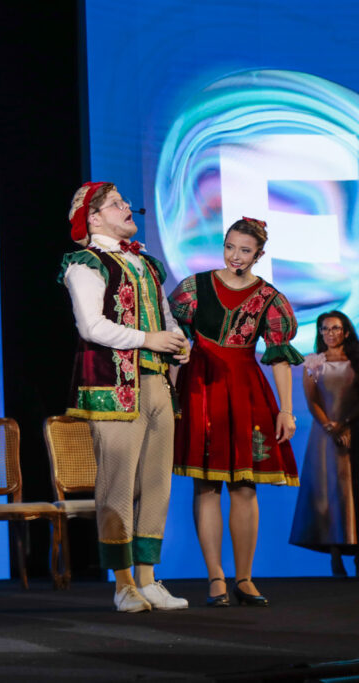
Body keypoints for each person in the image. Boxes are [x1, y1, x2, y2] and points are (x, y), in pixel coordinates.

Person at [61, 181, 190, 613]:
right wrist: (149, 338)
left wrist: (178, 341)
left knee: (156, 484)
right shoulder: (86, 263)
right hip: (113, 390)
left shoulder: (147, 264)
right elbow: (92, 327)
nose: (126, 208)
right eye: (115, 204)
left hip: (156, 385)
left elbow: (167, 320)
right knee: (117, 486)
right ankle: (122, 583)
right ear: (94, 218)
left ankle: (150, 578)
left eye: (124, 203)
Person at [168, 217, 302, 607]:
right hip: (201, 387)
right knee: (205, 484)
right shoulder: (195, 287)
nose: (235, 256)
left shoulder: (270, 298)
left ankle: (244, 578)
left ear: (259, 255)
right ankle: (215, 577)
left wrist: (287, 411)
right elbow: (174, 340)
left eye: (245, 250)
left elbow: (279, 359)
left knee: (245, 486)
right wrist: (173, 392)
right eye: (230, 247)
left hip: (245, 388)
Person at [289, 311, 359, 576]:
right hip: (324, 436)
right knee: (328, 493)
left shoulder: (356, 360)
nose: (330, 333)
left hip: (354, 430)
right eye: (325, 329)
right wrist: (331, 426)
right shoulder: (314, 361)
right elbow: (312, 400)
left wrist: (346, 424)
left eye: (336, 328)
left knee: (354, 489)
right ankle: (335, 556)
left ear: (347, 332)